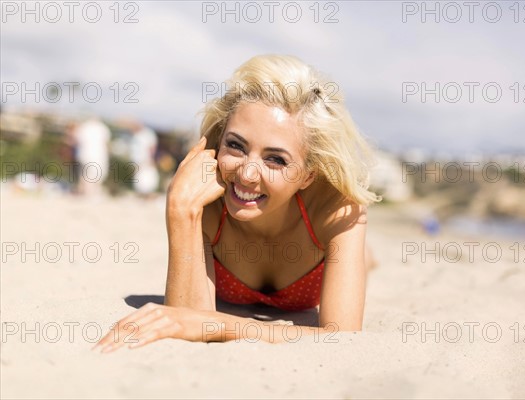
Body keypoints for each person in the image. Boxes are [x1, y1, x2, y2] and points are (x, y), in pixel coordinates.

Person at [94, 55, 381, 350]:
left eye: (275, 159)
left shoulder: (337, 210)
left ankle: (366, 256)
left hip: (321, 240)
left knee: (365, 259)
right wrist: (181, 211)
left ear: (309, 175)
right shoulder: (207, 203)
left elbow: (342, 337)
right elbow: (184, 318)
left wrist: (220, 323)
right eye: (236, 145)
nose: (246, 174)